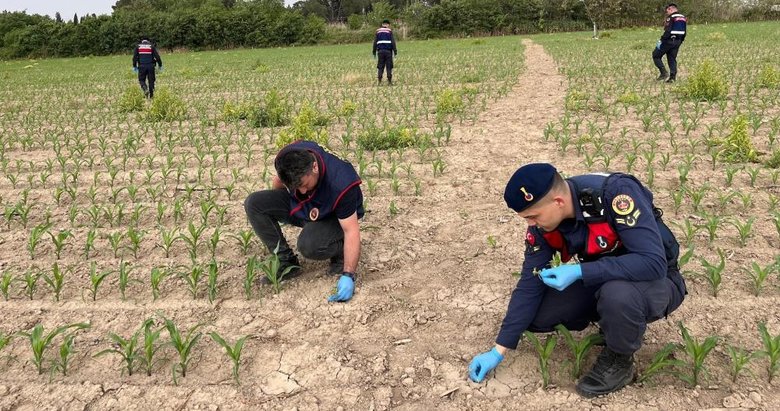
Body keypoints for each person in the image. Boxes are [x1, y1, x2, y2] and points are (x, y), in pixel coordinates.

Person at [468, 163, 686, 397]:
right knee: (538, 314)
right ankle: (615, 321)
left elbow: (652, 263)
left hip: (657, 281)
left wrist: (580, 271)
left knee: (618, 296)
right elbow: (529, 284)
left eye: (533, 216)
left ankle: (619, 360)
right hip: (604, 280)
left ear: (558, 202)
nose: (531, 224)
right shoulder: (545, 227)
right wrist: (498, 350)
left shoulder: (615, 194)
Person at [244, 140, 364, 303]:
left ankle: (339, 253)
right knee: (255, 203)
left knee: (309, 245)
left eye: (304, 184)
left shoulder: (341, 184)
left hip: (334, 214)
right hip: (307, 205)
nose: (302, 190)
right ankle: (286, 262)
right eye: (296, 186)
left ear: (314, 167)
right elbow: (279, 181)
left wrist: (348, 274)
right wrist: (280, 210)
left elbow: (351, 230)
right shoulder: (287, 158)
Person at [653, 3, 687, 83]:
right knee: (672, 58)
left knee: (656, 55)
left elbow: (668, 31)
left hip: (668, 41)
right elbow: (684, 31)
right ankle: (672, 78)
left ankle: (663, 73)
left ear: (670, 9)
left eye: (667, 11)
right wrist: (681, 41)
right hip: (678, 41)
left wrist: (661, 40)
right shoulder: (683, 17)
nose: (667, 13)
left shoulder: (671, 17)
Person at [372, 19, 397, 86]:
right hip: (388, 52)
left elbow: (375, 42)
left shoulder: (377, 31)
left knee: (380, 66)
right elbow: (393, 42)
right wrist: (395, 51)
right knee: (389, 66)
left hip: (380, 52)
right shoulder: (389, 31)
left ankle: (379, 81)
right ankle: (389, 82)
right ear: (388, 25)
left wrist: (374, 51)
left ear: (382, 24)